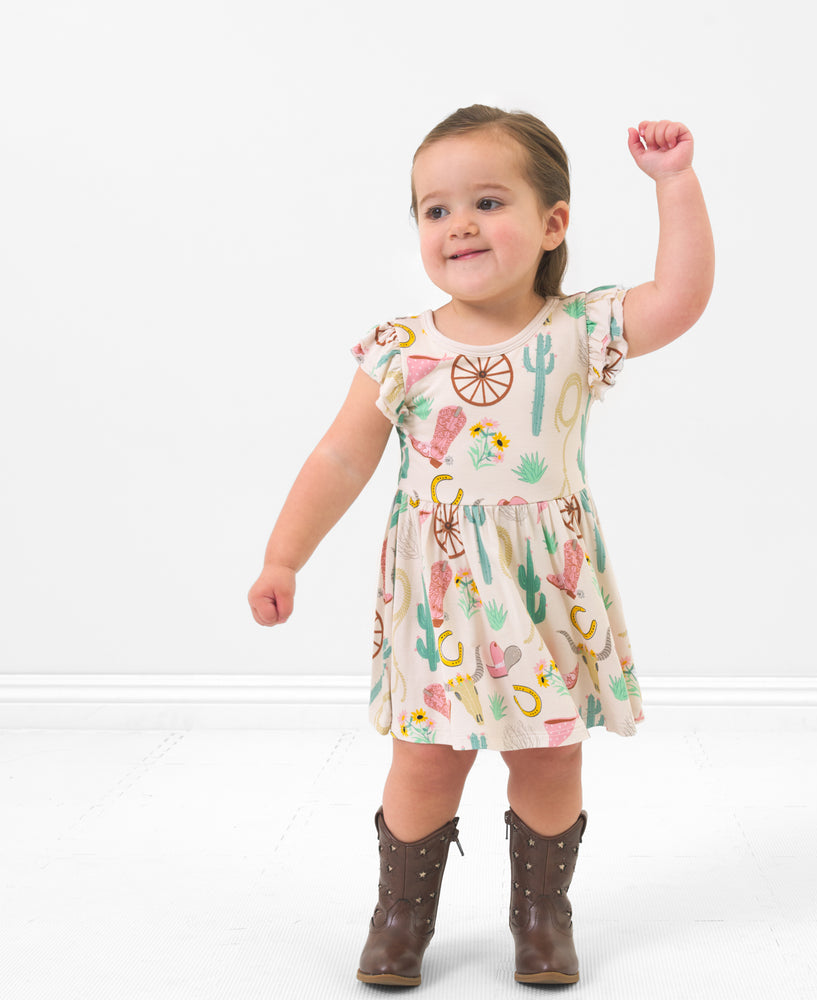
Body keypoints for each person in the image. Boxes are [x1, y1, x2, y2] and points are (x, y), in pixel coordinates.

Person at [248, 104, 714, 987]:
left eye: (488, 201)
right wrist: (285, 555)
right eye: (435, 209)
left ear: (552, 224)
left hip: (545, 590)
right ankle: (400, 917)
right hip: (440, 600)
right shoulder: (400, 349)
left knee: (549, 756)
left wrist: (675, 185)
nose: (459, 223)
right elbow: (342, 457)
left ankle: (542, 916)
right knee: (426, 761)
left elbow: (679, 300)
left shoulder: (576, 329)